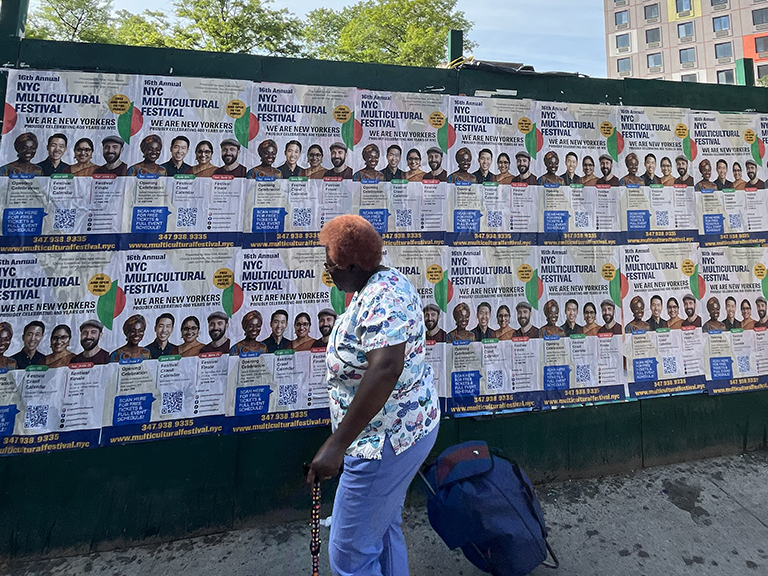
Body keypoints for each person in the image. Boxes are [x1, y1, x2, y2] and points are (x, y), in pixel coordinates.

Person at [307, 215, 439, 576]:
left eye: (329, 262)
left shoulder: (384, 295)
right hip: (404, 430)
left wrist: (336, 445)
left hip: (382, 443)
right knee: (381, 527)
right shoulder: (382, 279)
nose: (327, 268)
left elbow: (386, 367)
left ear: (351, 265)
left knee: (350, 553)